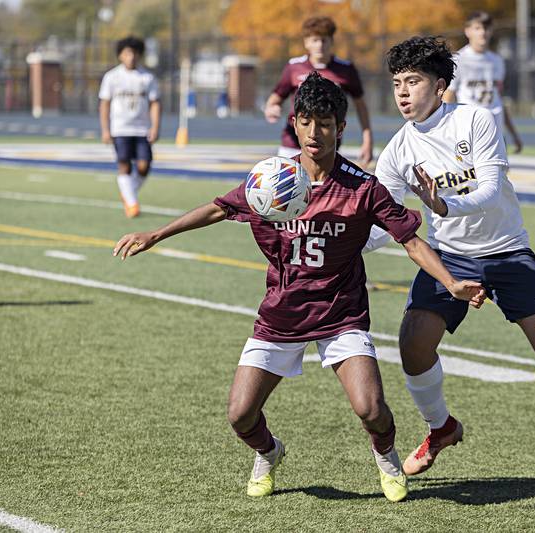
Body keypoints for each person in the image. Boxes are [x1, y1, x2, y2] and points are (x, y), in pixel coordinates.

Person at [113, 72, 486, 501]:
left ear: (340, 129)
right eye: (306, 121)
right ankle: (269, 453)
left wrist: (452, 283)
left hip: (340, 314)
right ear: (294, 123)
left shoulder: (363, 188)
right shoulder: (272, 179)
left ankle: (385, 456)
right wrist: (155, 235)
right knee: (240, 415)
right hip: (281, 314)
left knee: (372, 409)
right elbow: (218, 209)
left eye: (325, 123)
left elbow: (411, 242)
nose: (314, 132)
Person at [365, 36, 535, 485]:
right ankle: (441, 428)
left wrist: (445, 205)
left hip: (508, 250)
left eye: (414, 81)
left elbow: (489, 192)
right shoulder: (396, 152)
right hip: (450, 258)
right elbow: (384, 224)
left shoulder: (475, 120)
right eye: (397, 83)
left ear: (441, 85)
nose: (403, 93)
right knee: (413, 345)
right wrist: (336, 243)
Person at [263, 16, 373, 166]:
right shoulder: (294, 67)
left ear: (331, 41)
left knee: (324, 188)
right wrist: (271, 108)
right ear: (306, 42)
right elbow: (275, 98)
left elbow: (360, 105)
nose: (320, 45)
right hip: (292, 143)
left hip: (328, 143)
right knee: (286, 187)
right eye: (315, 40)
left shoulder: (345, 70)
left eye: (324, 40)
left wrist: (367, 139)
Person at [443, 11, 523, 154]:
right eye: (478, 28)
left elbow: (498, 99)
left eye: (486, 28)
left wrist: (513, 134)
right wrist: (447, 130)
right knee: (469, 175)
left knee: (498, 175)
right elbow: (448, 97)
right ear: (467, 31)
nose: (483, 32)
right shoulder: (458, 60)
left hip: (495, 130)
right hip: (470, 130)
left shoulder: (497, 61)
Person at [99, 35, 161, 218]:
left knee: (144, 166)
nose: (131, 57)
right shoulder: (111, 77)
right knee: (124, 166)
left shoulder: (147, 77)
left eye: (134, 53)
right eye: (127, 53)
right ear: (120, 55)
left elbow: (155, 103)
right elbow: (104, 104)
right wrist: (105, 129)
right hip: (120, 128)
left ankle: (127, 192)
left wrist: (155, 127)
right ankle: (132, 204)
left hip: (141, 128)